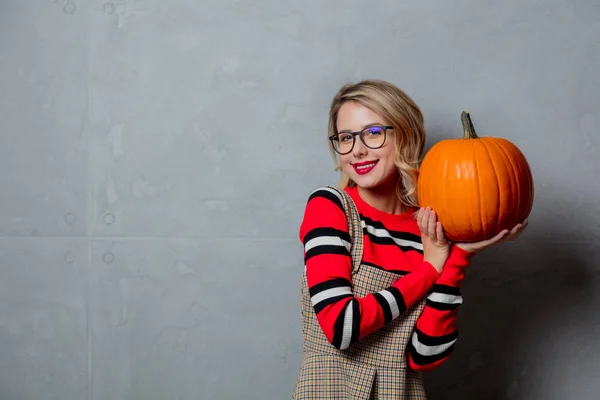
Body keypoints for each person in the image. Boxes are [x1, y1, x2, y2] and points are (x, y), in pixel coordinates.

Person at [293, 79, 527, 399]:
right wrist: (429, 269)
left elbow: (424, 355)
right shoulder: (330, 208)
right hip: (332, 390)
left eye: (373, 133)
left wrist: (458, 255)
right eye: (345, 138)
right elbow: (341, 327)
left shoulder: (428, 228)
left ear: (405, 135)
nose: (357, 149)